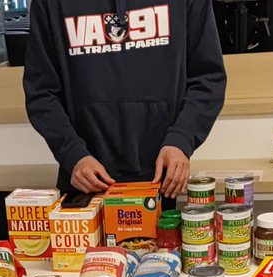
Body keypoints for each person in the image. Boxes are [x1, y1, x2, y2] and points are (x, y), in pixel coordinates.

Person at [23, 0, 227, 198]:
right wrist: (73, 155)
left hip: (160, 180)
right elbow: (41, 93)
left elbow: (208, 78)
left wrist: (182, 139)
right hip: (86, 183)